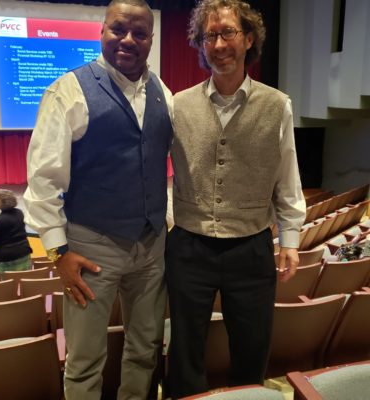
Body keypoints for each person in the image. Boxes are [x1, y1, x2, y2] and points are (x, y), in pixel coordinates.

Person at [23, 1, 173, 399]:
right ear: (102, 32)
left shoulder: (164, 93)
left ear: (151, 40)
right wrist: (58, 251)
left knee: (145, 351)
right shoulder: (68, 90)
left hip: (151, 247)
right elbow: (42, 180)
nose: (128, 40)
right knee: (85, 359)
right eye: (118, 30)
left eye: (139, 33)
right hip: (91, 248)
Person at [165, 0, 306, 398]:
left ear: (248, 39)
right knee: (186, 349)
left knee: (251, 345)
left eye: (227, 32)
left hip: (251, 248)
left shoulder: (277, 105)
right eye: (210, 35)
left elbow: (287, 173)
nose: (219, 43)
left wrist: (290, 239)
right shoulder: (178, 104)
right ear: (200, 43)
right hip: (189, 245)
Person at [0, 189, 32, 274]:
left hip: (5, 258)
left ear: (0, 203)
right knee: (24, 278)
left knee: (7, 284)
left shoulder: (0, 219)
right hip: (23, 252)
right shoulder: (19, 213)